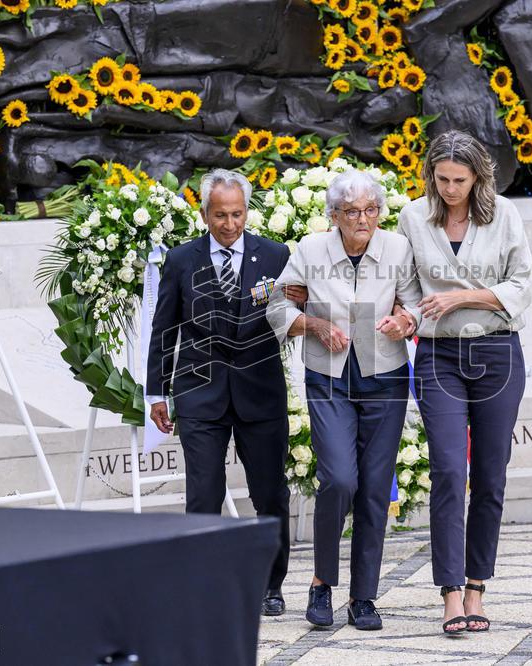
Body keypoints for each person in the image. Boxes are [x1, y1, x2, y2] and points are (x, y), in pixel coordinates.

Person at [266, 170, 422, 631]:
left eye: (370, 210)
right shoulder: (311, 251)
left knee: (375, 488)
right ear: (333, 215)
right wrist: (313, 326)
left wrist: (404, 321)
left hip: (385, 379)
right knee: (338, 479)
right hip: (329, 380)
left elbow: (412, 302)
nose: (362, 220)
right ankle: (321, 582)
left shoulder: (396, 248)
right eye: (351, 211)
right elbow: (279, 305)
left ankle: (363, 597)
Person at [395, 129, 532, 634]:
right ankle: (450, 593)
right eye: (442, 178)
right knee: (450, 471)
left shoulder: (505, 215)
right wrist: (405, 320)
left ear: (478, 177)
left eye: (459, 180)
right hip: (438, 357)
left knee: (491, 475)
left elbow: (521, 285)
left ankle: (477, 587)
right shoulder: (413, 216)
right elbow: (409, 291)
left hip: (498, 353)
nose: (449, 188)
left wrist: (461, 297)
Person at [146, 168, 292, 617]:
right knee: (203, 492)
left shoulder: (276, 255)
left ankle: (271, 585)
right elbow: (163, 328)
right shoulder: (180, 259)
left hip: (260, 393)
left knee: (270, 493)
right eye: (220, 215)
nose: (230, 225)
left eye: (238, 214)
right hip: (199, 393)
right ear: (205, 213)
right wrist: (157, 393)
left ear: (247, 211)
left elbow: (290, 314)